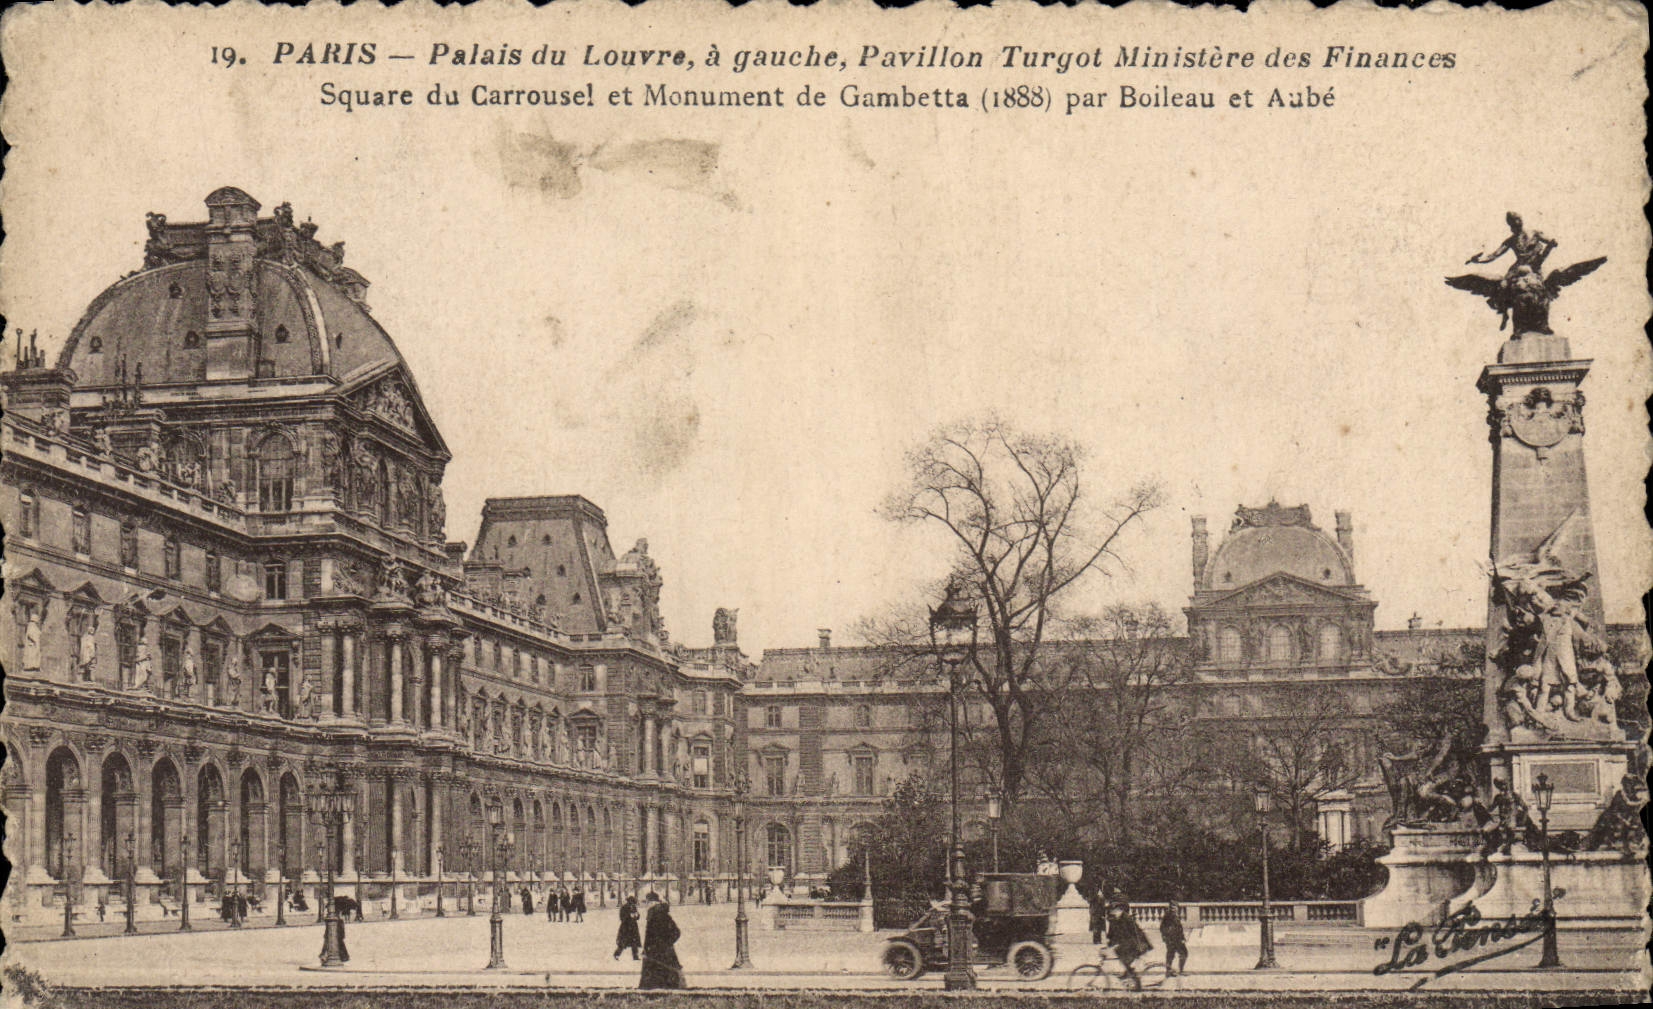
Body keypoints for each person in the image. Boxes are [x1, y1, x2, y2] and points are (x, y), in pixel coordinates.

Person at [639, 895, 685, 989]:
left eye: (647, 902)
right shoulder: (661, 914)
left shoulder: (654, 914)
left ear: (653, 903)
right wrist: (668, 943)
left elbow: (650, 936)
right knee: (667, 977)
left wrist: (662, 944)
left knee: (653, 980)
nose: (646, 905)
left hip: (654, 953)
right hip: (663, 952)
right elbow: (676, 932)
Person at [1105, 903, 1152, 991]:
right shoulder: (1117, 918)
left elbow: (1134, 934)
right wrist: (1108, 945)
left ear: (1119, 910)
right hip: (1132, 943)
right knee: (1120, 953)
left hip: (1139, 944)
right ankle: (1129, 973)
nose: (1110, 913)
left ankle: (1136, 982)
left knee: (1122, 954)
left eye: (1112, 911)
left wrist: (1112, 944)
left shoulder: (1126, 918)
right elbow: (1113, 935)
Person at [1159, 901, 1188, 976]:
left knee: (1180, 954)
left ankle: (1174, 971)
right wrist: (1166, 937)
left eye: (1176, 907)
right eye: (1173, 907)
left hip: (1177, 939)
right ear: (1171, 907)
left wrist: (1182, 937)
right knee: (1174, 954)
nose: (1175, 909)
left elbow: (1179, 928)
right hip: (1172, 939)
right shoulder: (1168, 915)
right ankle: (1171, 971)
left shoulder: (1174, 915)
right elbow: (1162, 927)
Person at [615, 895, 642, 960]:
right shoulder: (624, 907)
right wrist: (629, 916)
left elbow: (637, 916)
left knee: (634, 942)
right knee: (623, 942)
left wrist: (637, 915)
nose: (633, 904)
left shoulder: (634, 907)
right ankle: (616, 954)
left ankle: (635, 956)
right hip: (625, 928)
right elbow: (622, 918)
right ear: (629, 902)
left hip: (633, 927)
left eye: (633, 903)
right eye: (632, 902)